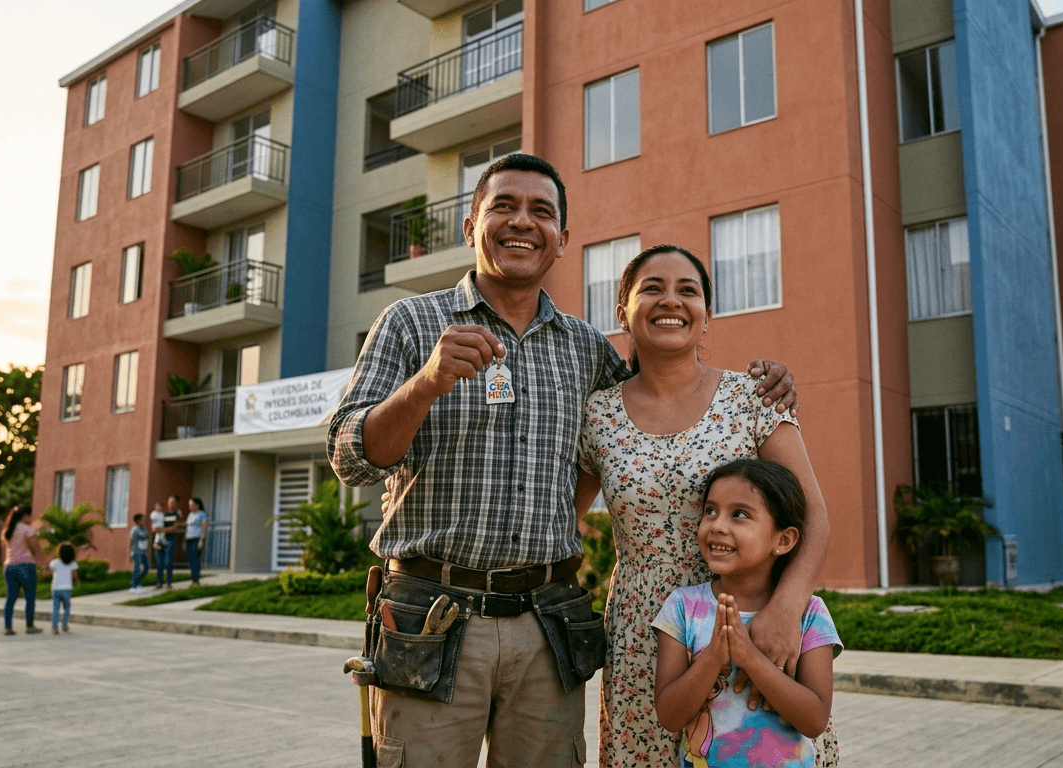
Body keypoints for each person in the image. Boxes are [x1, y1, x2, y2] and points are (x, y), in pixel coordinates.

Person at [329, 153, 797, 767]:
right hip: (431, 616)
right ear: (471, 226)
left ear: (562, 238)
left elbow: (658, 403)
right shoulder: (410, 324)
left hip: (546, 625)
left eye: (541, 211)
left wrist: (767, 382)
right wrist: (425, 384)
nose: (523, 222)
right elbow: (350, 459)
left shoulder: (586, 349)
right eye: (503, 206)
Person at [575, 245, 835, 767]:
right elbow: (563, 522)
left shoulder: (753, 397)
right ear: (623, 311)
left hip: (751, 625)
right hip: (641, 636)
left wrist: (785, 610)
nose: (670, 301)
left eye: (687, 290)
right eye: (652, 288)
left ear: (707, 315)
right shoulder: (597, 414)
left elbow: (812, 518)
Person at [653, 460, 840, 768]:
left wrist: (750, 658)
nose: (717, 525)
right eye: (711, 511)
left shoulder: (810, 614)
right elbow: (669, 716)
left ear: (783, 540)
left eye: (739, 514)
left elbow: (814, 720)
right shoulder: (682, 607)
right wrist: (714, 658)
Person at [0, 505, 44, 636]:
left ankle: (8, 627)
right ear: (24, 516)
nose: (31, 518)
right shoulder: (27, 529)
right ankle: (30, 626)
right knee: (30, 598)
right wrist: (43, 564)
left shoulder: (8, 530)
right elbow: (36, 548)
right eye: (29, 516)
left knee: (10, 599)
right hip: (26, 566)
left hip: (9, 567)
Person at [48, 542, 81, 635]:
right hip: (67, 589)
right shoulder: (73, 564)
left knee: (56, 608)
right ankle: (64, 625)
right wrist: (78, 581)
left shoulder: (55, 562)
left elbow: (49, 570)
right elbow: (74, 574)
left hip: (56, 589)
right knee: (66, 608)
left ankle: (54, 627)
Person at [155, 496, 182, 591]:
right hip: (161, 539)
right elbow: (156, 525)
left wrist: (163, 530)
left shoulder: (177, 514)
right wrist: (157, 529)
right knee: (159, 562)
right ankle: (159, 582)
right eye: (169, 502)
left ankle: (169, 583)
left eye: (173, 502)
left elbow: (175, 527)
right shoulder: (163, 514)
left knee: (168, 561)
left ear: (176, 504)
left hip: (171, 539)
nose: (171, 504)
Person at [184, 497, 209, 588]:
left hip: (197, 539)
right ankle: (193, 579)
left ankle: (196, 580)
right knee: (190, 560)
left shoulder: (202, 514)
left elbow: (204, 527)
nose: (190, 507)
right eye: (189, 505)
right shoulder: (190, 515)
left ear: (197, 505)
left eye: (191, 505)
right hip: (188, 539)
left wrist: (201, 540)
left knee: (195, 559)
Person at [129, 514, 151, 594]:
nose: (143, 521)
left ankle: (135, 583)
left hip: (144, 552)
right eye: (142, 520)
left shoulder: (145, 530)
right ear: (137, 521)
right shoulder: (134, 530)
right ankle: (135, 586)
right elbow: (131, 541)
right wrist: (131, 552)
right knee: (137, 569)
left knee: (146, 569)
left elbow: (148, 541)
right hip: (137, 552)